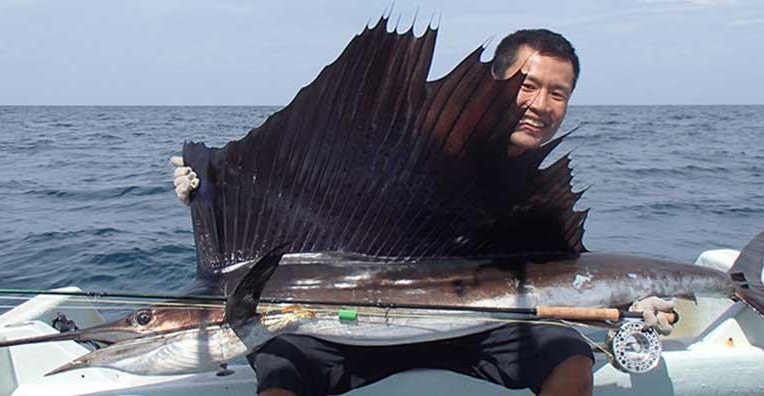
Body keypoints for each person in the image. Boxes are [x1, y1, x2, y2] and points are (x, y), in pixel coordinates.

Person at [171, 29, 674, 396]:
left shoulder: (536, 190)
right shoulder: (404, 146)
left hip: (478, 332)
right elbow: (298, 187)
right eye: (527, 84)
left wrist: (634, 304)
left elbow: (564, 275)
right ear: (496, 79)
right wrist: (215, 191)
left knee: (567, 354)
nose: (540, 104)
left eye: (557, 93)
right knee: (280, 363)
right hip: (348, 330)